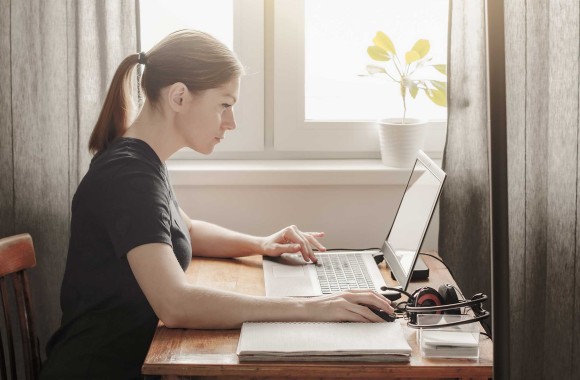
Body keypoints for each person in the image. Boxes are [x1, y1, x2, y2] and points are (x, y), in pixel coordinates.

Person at [40, 29, 394, 379]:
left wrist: (260, 244)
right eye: (224, 105)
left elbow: (187, 230)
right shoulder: (129, 176)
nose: (232, 122)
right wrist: (313, 307)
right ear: (179, 97)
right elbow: (176, 305)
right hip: (102, 369)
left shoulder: (142, 162)